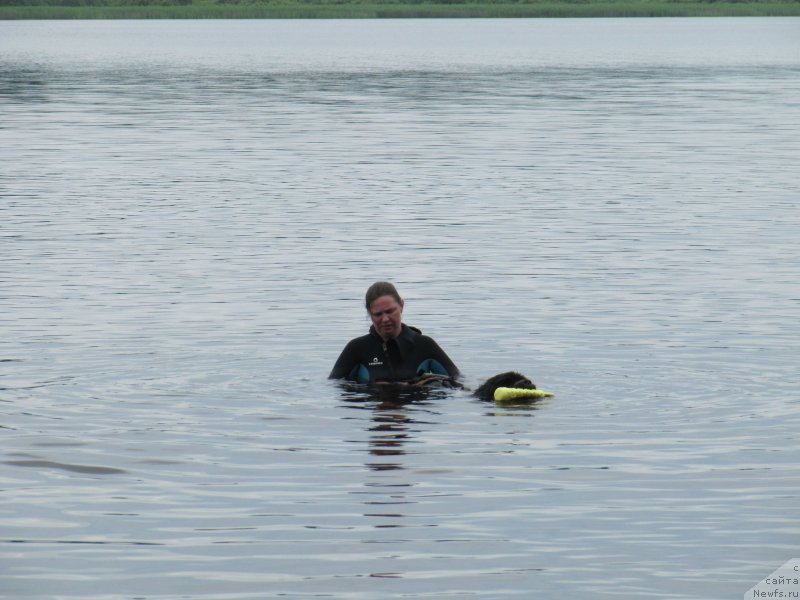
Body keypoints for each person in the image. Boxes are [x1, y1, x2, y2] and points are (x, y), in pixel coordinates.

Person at [329, 281, 460, 384]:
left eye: (390, 311)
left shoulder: (424, 345)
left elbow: (459, 381)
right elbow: (334, 386)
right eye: (378, 314)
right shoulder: (356, 348)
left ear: (401, 306)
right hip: (375, 411)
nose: (385, 319)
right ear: (369, 313)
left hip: (414, 412)